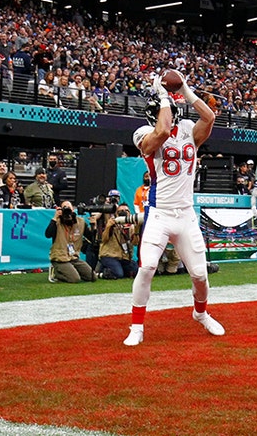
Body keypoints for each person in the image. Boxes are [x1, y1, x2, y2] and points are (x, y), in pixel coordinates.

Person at [125, 72, 224, 346]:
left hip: (186, 214)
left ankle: (200, 314)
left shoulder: (189, 130)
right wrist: (165, 96)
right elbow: (162, 131)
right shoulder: (144, 133)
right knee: (146, 269)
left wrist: (187, 90)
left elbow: (210, 118)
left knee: (200, 275)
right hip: (159, 214)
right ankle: (136, 327)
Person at [46, 201, 96, 283]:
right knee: (74, 279)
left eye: (69, 208)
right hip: (60, 258)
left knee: (92, 277)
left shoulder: (80, 222)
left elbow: (91, 238)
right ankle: (56, 272)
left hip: (74, 257)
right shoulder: (57, 222)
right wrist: (55, 218)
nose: (67, 210)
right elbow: (48, 234)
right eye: (64, 207)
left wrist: (93, 226)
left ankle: (71, 270)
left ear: (73, 209)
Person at [97, 202, 138, 279]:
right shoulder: (111, 224)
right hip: (110, 256)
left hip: (124, 258)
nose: (124, 212)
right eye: (121, 211)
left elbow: (135, 243)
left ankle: (117, 269)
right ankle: (102, 271)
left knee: (136, 272)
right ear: (116, 213)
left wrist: (136, 230)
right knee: (118, 274)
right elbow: (103, 239)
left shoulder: (131, 226)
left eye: (126, 210)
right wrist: (108, 227)